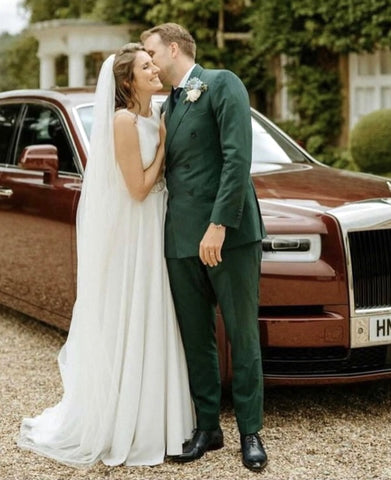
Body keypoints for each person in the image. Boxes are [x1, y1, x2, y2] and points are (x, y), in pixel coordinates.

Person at [17, 43, 194, 467]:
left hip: (157, 225)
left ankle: (161, 418)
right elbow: (137, 188)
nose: (155, 70)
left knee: (156, 314)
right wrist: (166, 148)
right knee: (136, 311)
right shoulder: (123, 121)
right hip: (137, 229)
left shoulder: (157, 112)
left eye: (154, 64)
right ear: (128, 81)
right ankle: (127, 422)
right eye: (146, 67)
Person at [141, 23, 268, 472]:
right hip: (180, 238)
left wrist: (218, 225)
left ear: (174, 48)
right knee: (196, 338)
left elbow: (237, 157)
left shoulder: (220, 83)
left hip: (228, 235)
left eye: (151, 52)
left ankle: (250, 432)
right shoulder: (167, 106)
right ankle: (208, 428)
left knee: (241, 333)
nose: (149, 60)